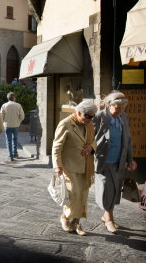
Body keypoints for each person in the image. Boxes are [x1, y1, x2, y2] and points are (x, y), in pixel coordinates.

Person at [52, 101, 97, 236]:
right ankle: (65, 217)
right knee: (74, 195)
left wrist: (91, 147)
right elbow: (56, 147)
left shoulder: (89, 125)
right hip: (69, 166)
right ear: (78, 113)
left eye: (92, 116)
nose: (89, 119)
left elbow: (94, 140)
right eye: (87, 116)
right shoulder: (65, 124)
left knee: (83, 195)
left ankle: (76, 222)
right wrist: (57, 166)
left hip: (85, 166)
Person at [93, 91, 132, 234]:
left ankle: (107, 216)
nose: (120, 111)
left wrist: (130, 158)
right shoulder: (99, 117)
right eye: (117, 108)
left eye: (123, 108)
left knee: (115, 189)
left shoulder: (124, 117)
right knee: (106, 188)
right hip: (104, 159)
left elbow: (128, 139)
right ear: (109, 105)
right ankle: (108, 218)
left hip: (119, 159)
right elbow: (90, 136)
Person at [0, 92, 25, 161]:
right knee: (15, 139)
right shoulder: (18, 105)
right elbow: (22, 116)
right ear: (14, 98)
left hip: (7, 125)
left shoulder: (4, 105)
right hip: (16, 125)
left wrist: (3, 123)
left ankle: (10, 156)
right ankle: (15, 153)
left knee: (8, 140)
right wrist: (18, 121)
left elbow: (1, 116)